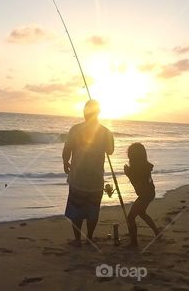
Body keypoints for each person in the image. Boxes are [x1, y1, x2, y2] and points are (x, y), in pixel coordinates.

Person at [62, 99, 114, 244]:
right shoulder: (105, 132)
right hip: (96, 179)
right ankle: (89, 237)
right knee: (93, 210)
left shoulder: (75, 129)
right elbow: (110, 151)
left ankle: (77, 239)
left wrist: (65, 162)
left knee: (76, 210)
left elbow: (67, 149)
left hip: (78, 178)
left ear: (85, 112)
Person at [123, 142, 160, 247]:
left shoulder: (139, 168)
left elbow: (137, 184)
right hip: (149, 193)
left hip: (145, 195)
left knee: (130, 218)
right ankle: (157, 233)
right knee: (142, 213)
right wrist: (129, 173)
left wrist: (128, 174)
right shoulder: (144, 166)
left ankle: (134, 242)